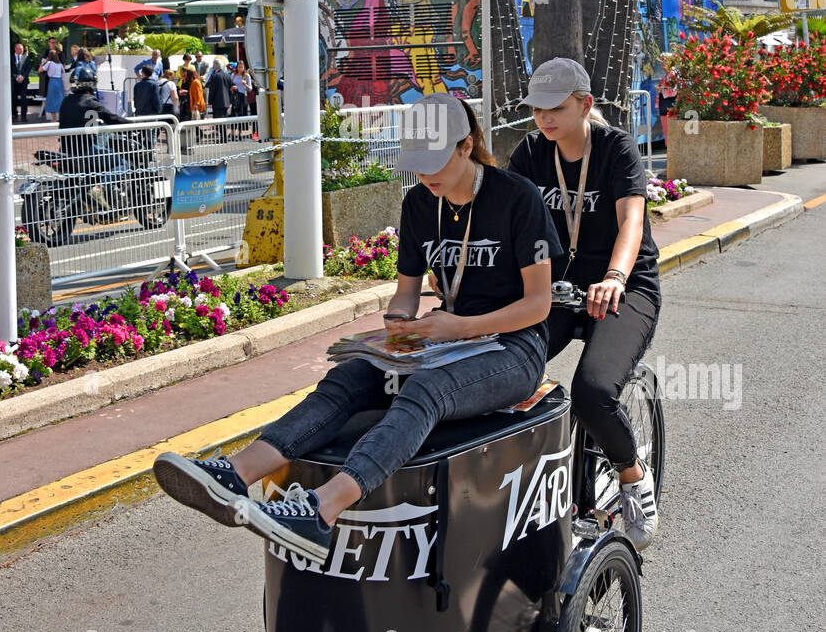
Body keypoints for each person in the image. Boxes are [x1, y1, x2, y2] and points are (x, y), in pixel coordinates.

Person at [153, 93, 562, 563]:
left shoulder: (516, 197)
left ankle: (321, 511)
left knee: (425, 392)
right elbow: (406, 293)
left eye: (435, 161)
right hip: (443, 339)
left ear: (466, 147)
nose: (426, 175)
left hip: (512, 349)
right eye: (418, 163)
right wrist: (398, 324)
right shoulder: (418, 204)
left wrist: (462, 328)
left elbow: (538, 305)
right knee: (350, 377)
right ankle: (234, 474)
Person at [507, 59, 662, 550]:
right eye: (537, 109)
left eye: (557, 108)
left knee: (593, 391)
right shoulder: (530, 152)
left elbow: (631, 222)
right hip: (554, 289)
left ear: (585, 104)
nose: (545, 118)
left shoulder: (616, 148)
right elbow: (505, 219)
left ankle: (633, 475)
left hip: (623, 286)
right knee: (500, 369)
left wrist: (615, 276)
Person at [58, 61, 134, 197]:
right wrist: (133, 126)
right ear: (92, 83)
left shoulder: (66, 101)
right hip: (85, 151)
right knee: (123, 163)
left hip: (65, 150)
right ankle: (100, 189)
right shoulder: (89, 101)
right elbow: (111, 118)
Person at [39, 48, 65, 122]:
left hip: (52, 82)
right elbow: (63, 72)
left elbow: (40, 70)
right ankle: (60, 117)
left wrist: (43, 63)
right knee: (59, 99)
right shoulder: (59, 64)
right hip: (59, 82)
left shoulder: (49, 63)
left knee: (52, 100)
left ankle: (53, 119)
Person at [11, 43, 32, 123]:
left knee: (24, 99)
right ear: (15, 49)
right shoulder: (11, 57)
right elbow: (9, 68)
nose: (22, 50)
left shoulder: (25, 57)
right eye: (20, 49)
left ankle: (24, 116)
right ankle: (14, 114)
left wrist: (23, 76)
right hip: (14, 81)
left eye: (22, 49)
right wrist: (16, 76)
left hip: (24, 81)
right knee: (13, 98)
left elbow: (28, 68)